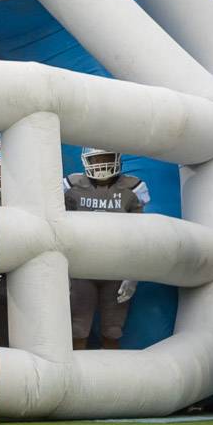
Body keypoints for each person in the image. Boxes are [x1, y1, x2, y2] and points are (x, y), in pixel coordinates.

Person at [63, 147, 150, 350]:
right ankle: (78, 380)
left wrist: (133, 274)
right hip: (82, 268)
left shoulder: (132, 188)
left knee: (112, 331)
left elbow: (140, 234)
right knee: (78, 331)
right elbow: (60, 230)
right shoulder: (72, 185)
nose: (101, 163)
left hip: (117, 268)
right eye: (96, 158)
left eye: (106, 157)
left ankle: (111, 377)